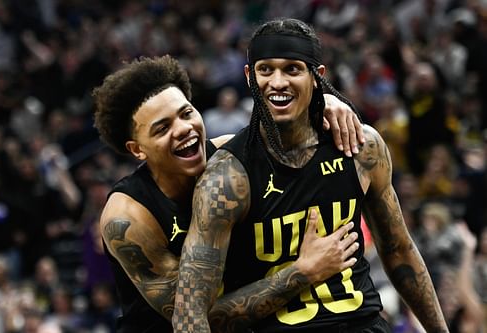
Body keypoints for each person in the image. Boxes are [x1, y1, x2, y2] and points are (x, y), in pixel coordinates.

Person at [172, 18, 449, 333]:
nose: (277, 82)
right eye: (265, 70)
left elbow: (399, 250)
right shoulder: (226, 178)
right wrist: (301, 274)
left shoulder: (361, 147)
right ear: (249, 77)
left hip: (365, 323)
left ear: (317, 77)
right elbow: (193, 316)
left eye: (292, 69)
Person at [92, 54, 365, 332]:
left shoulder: (231, 158)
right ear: (137, 149)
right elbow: (199, 319)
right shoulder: (128, 218)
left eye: (186, 113)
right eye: (163, 128)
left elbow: (289, 128)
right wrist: (302, 272)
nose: (184, 129)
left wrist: (323, 103)